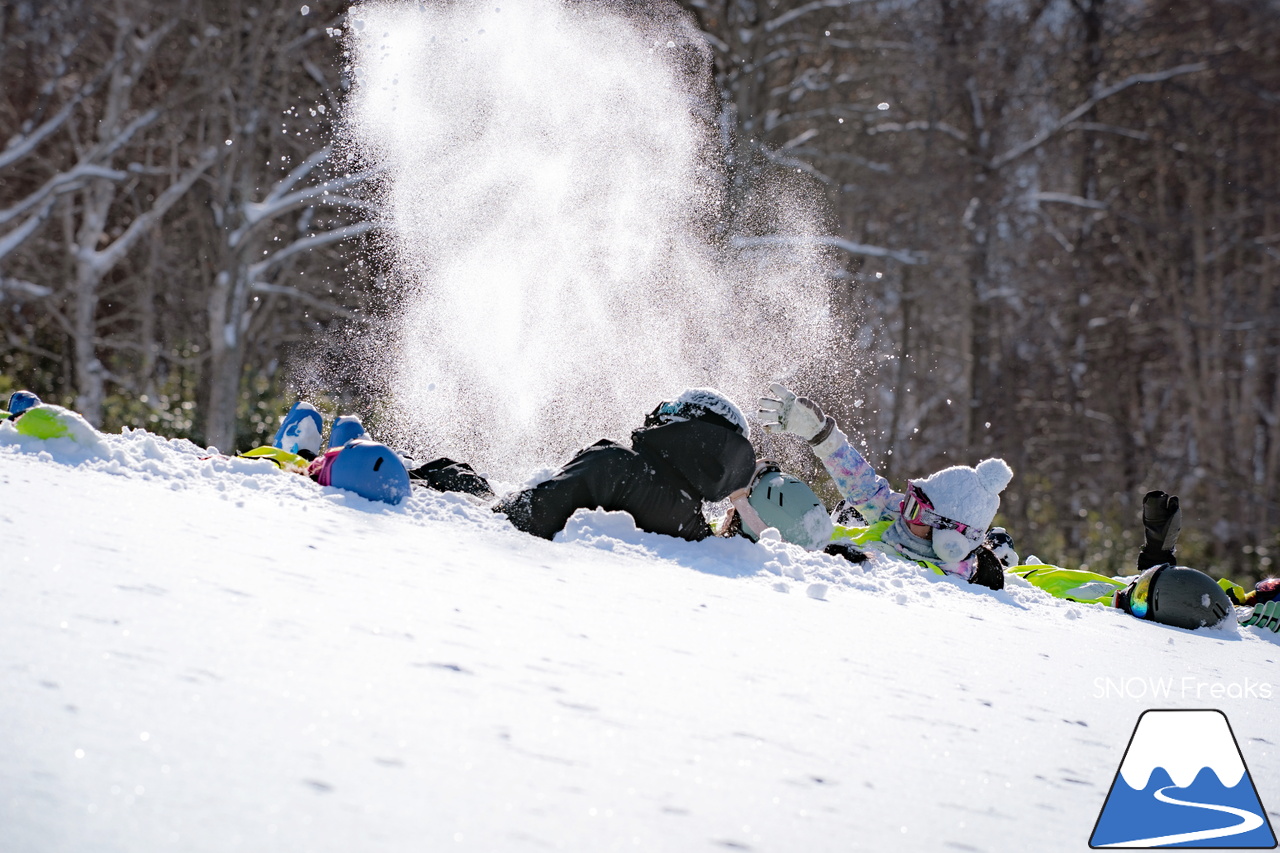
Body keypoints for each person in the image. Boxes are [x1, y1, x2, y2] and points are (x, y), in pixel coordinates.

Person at [757, 383, 1011, 589]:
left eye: (916, 510)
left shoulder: (945, 583)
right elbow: (862, 485)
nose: (904, 510)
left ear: (949, 540)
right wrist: (822, 437)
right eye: (910, 500)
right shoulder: (899, 521)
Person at [493, 388, 756, 541]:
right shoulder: (696, 531)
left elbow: (518, 515)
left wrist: (464, 481)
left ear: (688, 428)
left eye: (671, 410)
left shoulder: (616, 465)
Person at [1010, 490, 1276, 631]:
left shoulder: (1248, 623)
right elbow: (1163, 602)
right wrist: (1158, 559)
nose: (1262, 589)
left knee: (1108, 596)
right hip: (1023, 575)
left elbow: (1162, 608)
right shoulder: (1229, 603)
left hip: (1015, 593)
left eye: (1270, 590)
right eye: (1268, 585)